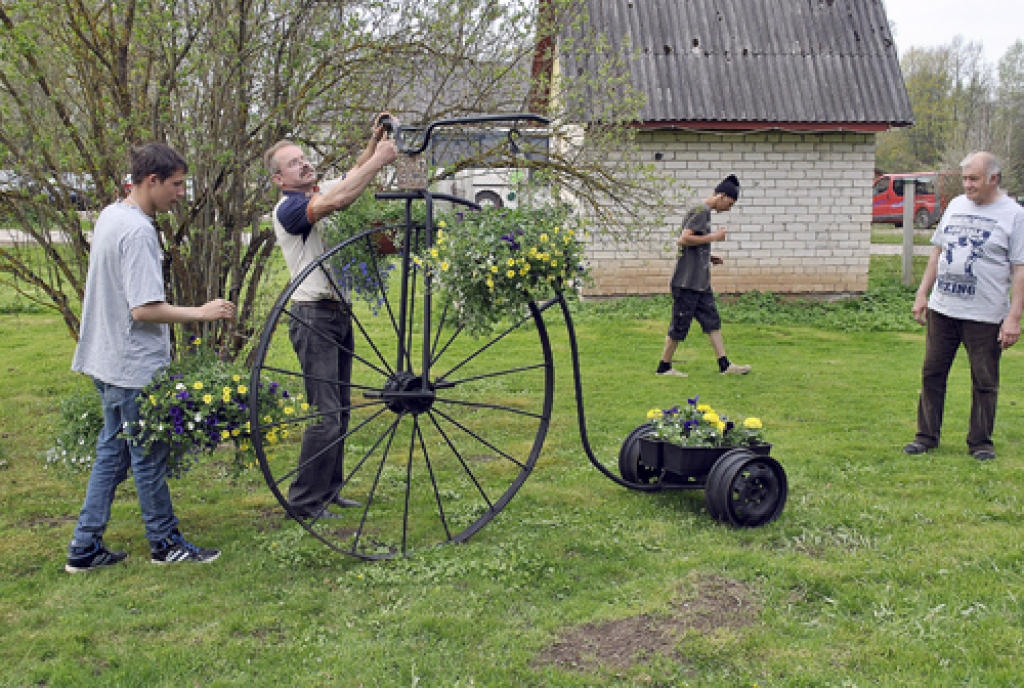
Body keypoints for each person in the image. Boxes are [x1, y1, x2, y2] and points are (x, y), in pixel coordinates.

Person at [66, 143, 236, 573]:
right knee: (147, 456)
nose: (180, 194)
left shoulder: (111, 215)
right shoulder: (138, 231)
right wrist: (201, 313)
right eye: (176, 185)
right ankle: (165, 543)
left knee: (114, 453)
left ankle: (84, 547)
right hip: (131, 367)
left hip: (105, 360)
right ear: (151, 180)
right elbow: (143, 309)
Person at [264, 114, 398, 520]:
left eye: (304, 158)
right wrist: (381, 160)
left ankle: (330, 490)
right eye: (293, 163)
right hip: (313, 317)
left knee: (339, 408)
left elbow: (349, 178)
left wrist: (373, 143)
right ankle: (303, 502)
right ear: (279, 179)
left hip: (337, 313)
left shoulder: (315, 193)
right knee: (326, 414)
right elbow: (339, 199)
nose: (304, 164)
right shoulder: (289, 209)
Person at [903, 152, 1024, 461]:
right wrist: (922, 294)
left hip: (985, 315)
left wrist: (1013, 317)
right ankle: (926, 436)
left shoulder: (1014, 215)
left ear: (993, 179)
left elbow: (1020, 268)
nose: (968, 185)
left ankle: (980, 442)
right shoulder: (956, 205)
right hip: (943, 309)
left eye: (974, 179)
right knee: (932, 373)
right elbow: (937, 253)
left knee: (984, 381)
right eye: (965, 179)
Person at [656, 174, 752, 378]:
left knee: (711, 321)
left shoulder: (703, 212)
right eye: (730, 204)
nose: (729, 209)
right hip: (687, 282)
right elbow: (684, 239)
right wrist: (715, 237)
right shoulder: (701, 211)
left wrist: (707, 255)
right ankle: (664, 367)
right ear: (721, 196)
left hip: (700, 282)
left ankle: (725, 365)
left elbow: (694, 242)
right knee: (680, 325)